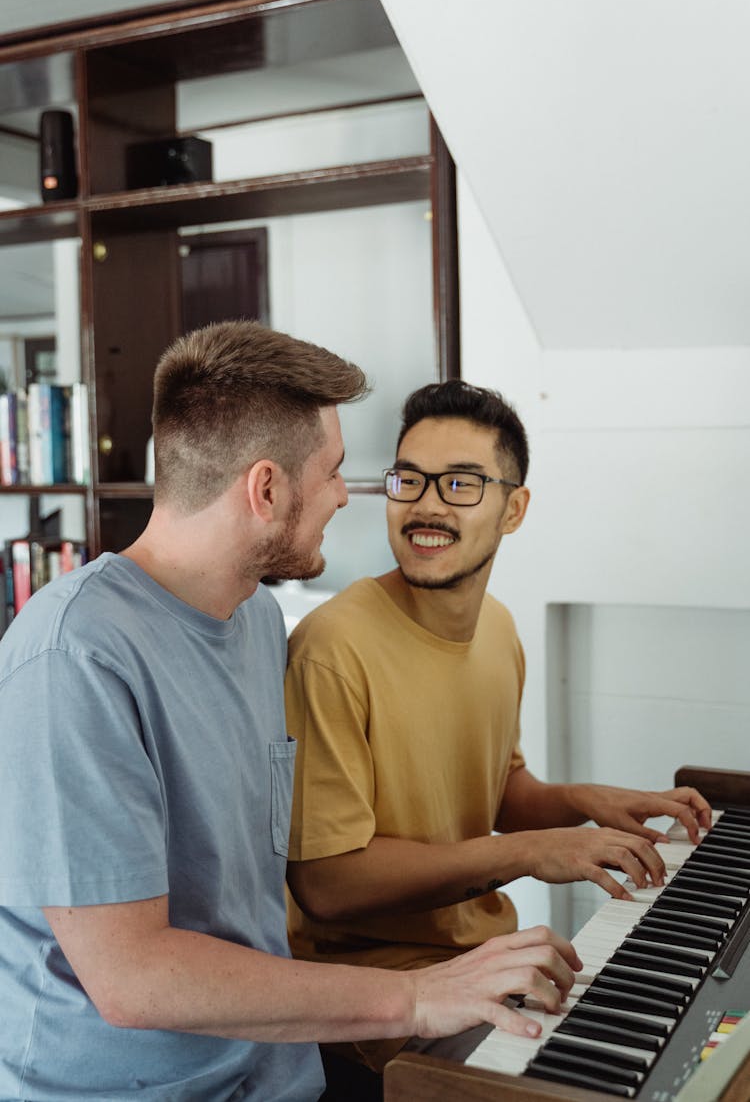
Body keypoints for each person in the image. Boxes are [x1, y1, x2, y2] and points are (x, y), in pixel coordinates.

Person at [0, 324, 581, 1102]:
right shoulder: (73, 656)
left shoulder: (257, 621)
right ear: (266, 489)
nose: (349, 494)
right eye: (335, 471)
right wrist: (415, 994)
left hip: (275, 1068)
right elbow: (132, 977)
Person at [284, 378, 713, 1086]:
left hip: (486, 959)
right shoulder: (333, 648)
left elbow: (499, 792)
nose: (426, 504)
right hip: (376, 998)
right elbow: (328, 882)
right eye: (409, 479)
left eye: (459, 483)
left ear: (513, 508)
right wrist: (533, 850)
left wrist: (584, 799)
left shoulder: (500, 629)